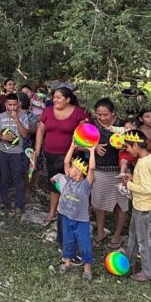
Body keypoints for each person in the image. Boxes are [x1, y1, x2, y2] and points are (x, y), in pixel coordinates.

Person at [34, 87, 90, 231]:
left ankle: (72, 214)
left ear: (68, 99)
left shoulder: (79, 113)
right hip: (50, 154)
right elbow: (41, 130)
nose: (55, 100)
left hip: (73, 158)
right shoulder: (48, 111)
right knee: (54, 184)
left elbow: (85, 134)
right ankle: (52, 212)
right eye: (54, 97)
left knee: (73, 186)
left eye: (59, 97)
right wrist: (37, 149)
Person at [88, 98, 130, 250]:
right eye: (99, 114)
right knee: (99, 203)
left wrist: (126, 144)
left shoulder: (123, 125)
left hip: (120, 170)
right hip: (100, 169)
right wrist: (93, 146)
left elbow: (135, 144)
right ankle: (100, 231)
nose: (102, 118)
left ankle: (117, 234)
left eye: (106, 114)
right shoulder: (92, 125)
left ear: (113, 113)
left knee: (121, 203)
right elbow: (80, 141)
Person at [120, 131, 151, 281]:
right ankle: (129, 262)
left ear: (136, 145)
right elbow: (146, 182)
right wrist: (134, 178)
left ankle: (148, 271)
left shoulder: (143, 164)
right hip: (141, 205)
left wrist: (129, 184)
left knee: (143, 240)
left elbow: (148, 189)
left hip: (144, 207)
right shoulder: (149, 158)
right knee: (134, 236)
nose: (127, 150)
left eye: (128, 147)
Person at [56, 149, 95, 280]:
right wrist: (72, 146)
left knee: (84, 243)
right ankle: (67, 262)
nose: (69, 168)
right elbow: (66, 162)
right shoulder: (68, 179)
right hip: (66, 215)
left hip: (81, 220)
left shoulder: (85, 185)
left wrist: (92, 150)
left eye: (73, 167)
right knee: (68, 239)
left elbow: (92, 169)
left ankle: (87, 269)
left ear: (79, 172)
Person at [0, 92, 31, 212]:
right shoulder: (0, 116)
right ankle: (4, 201)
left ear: (18, 104)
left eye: (14, 105)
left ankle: (18, 204)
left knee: (17, 178)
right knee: (4, 178)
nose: (12, 108)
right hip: (3, 151)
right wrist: (2, 137)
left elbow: (25, 134)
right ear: (5, 104)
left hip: (17, 152)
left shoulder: (23, 116)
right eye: (9, 105)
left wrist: (16, 119)